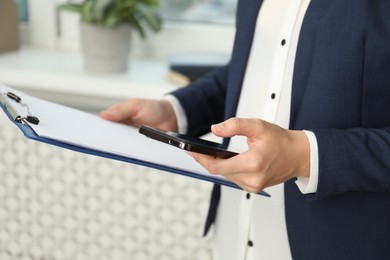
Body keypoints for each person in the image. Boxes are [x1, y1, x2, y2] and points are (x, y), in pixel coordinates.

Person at [100, 0, 390, 259]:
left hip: (337, 243)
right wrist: (177, 110)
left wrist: (305, 156)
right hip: (233, 235)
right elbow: (254, 67)